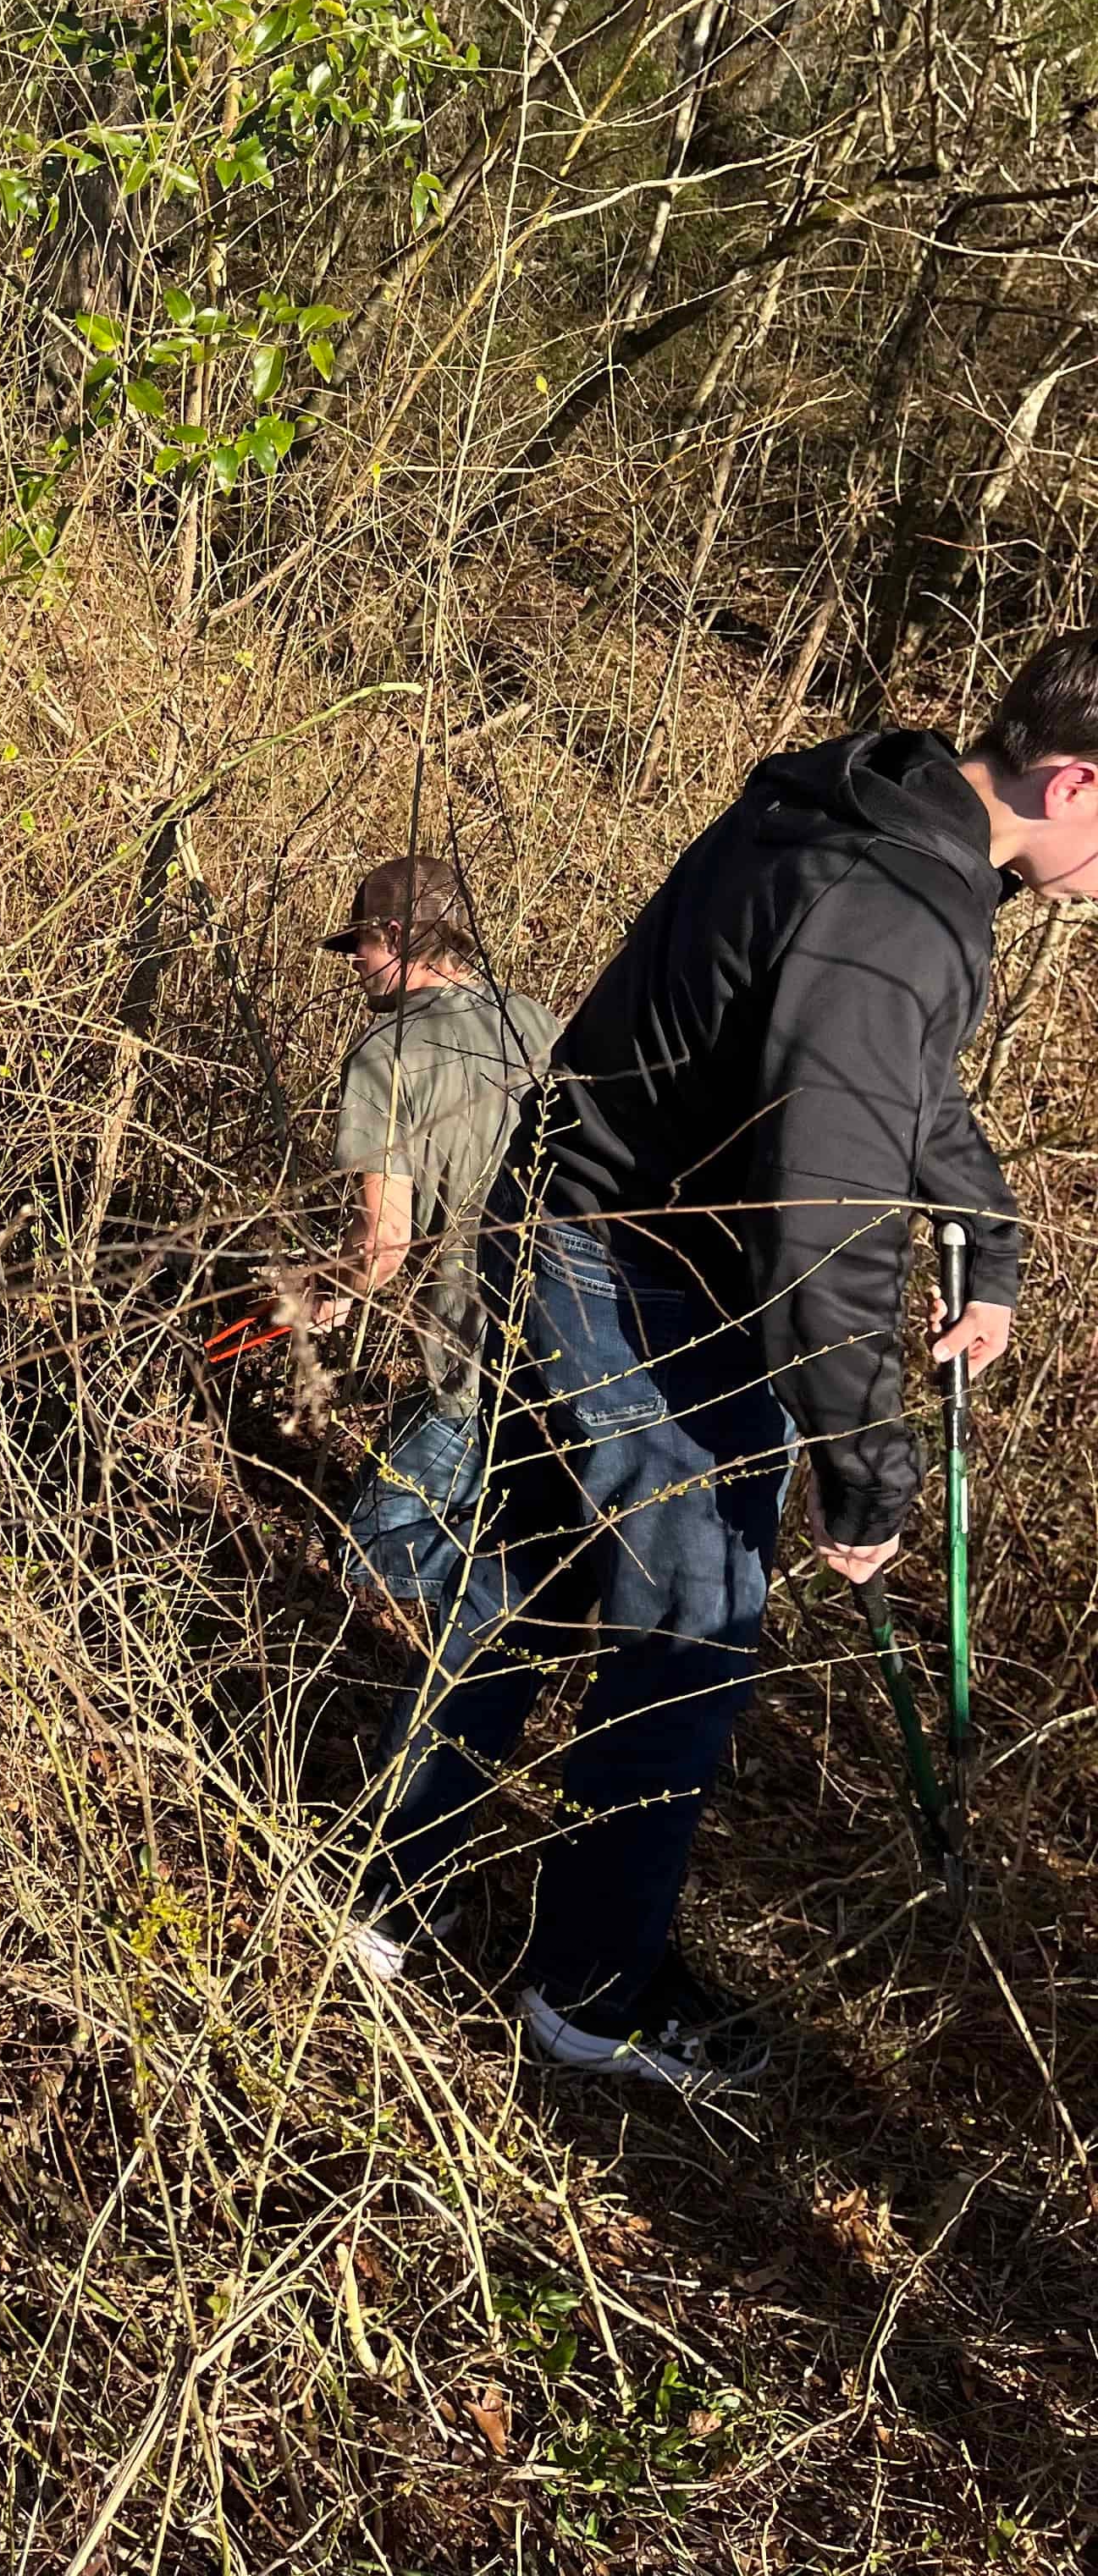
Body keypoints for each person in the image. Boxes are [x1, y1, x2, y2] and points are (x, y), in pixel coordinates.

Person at [353, 642, 1098, 2088]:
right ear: (1073, 781)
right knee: (686, 1630)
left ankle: (379, 1885)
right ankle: (589, 1988)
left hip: (565, 1226)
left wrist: (984, 1229)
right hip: (635, 1271)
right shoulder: (889, 909)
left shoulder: (853, 811)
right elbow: (821, 1217)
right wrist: (861, 1476)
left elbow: (880, 1083)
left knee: (528, 1566)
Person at [311, 857, 561, 1614]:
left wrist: (327, 1291)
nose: (354, 960)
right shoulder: (533, 1021)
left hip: (471, 1333)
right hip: (569, 1323)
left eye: (361, 941)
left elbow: (381, 1247)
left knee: (372, 1565)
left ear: (395, 936)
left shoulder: (384, 1056)